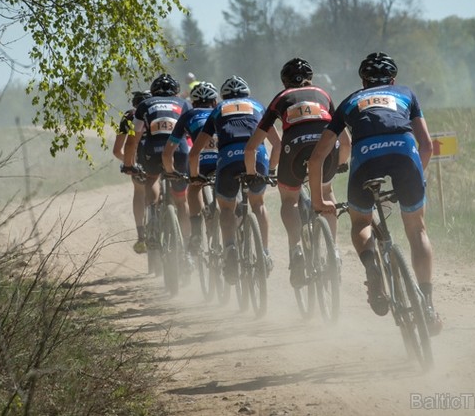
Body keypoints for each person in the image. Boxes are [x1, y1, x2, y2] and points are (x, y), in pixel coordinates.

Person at [308, 52, 441, 335]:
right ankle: (428, 305)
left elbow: (317, 157)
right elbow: (426, 146)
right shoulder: (406, 93)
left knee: (361, 223)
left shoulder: (350, 101)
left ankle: (371, 267)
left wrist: (319, 201)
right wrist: (417, 177)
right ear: (393, 80)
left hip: (366, 158)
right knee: (417, 230)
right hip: (405, 154)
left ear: (363, 81)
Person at [244, 58, 350, 288]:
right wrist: (340, 163)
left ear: (284, 82)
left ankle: (296, 250)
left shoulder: (281, 99)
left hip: (294, 150)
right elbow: (346, 140)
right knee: (326, 190)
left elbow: (252, 146)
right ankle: (334, 252)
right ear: (311, 78)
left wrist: (253, 174)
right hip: (326, 150)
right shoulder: (323, 94)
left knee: (289, 200)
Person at [188, 76, 281, 284]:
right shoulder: (258, 106)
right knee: (258, 204)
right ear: (247, 94)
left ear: (223, 96)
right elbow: (277, 144)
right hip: (256, 158)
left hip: (228, 160)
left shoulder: (218, 109)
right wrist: (272, 170)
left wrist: (195, 177)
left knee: (227, 209)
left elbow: (195, 153)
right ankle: (264, 253)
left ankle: (229, 248)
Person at [122, 74, 192, 255]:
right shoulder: (183, 104)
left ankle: (152, 214)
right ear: (176, 92)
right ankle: (187, 247)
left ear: (152, 91)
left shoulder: (145, 105)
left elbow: (132, 140)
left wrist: (129, 165)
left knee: (152, 177)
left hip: (152, 150)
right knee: (181, 201)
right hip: (179, 151)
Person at [162, 81, 219, 256]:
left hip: (200, 162)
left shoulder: (188, 116)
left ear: (193, 103)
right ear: (215, 102)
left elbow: (169, 150)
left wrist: (171, 172)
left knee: (194, 190)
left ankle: (195, 233)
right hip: (224, 160)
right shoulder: (222, 111)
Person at [114, 90, 152, 253]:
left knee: (139, 192)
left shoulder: (129, 116)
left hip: (138, 161)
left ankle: (141, 235)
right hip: (162, 157)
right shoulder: (157, 113)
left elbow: (117, 151)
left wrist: (129, 163)